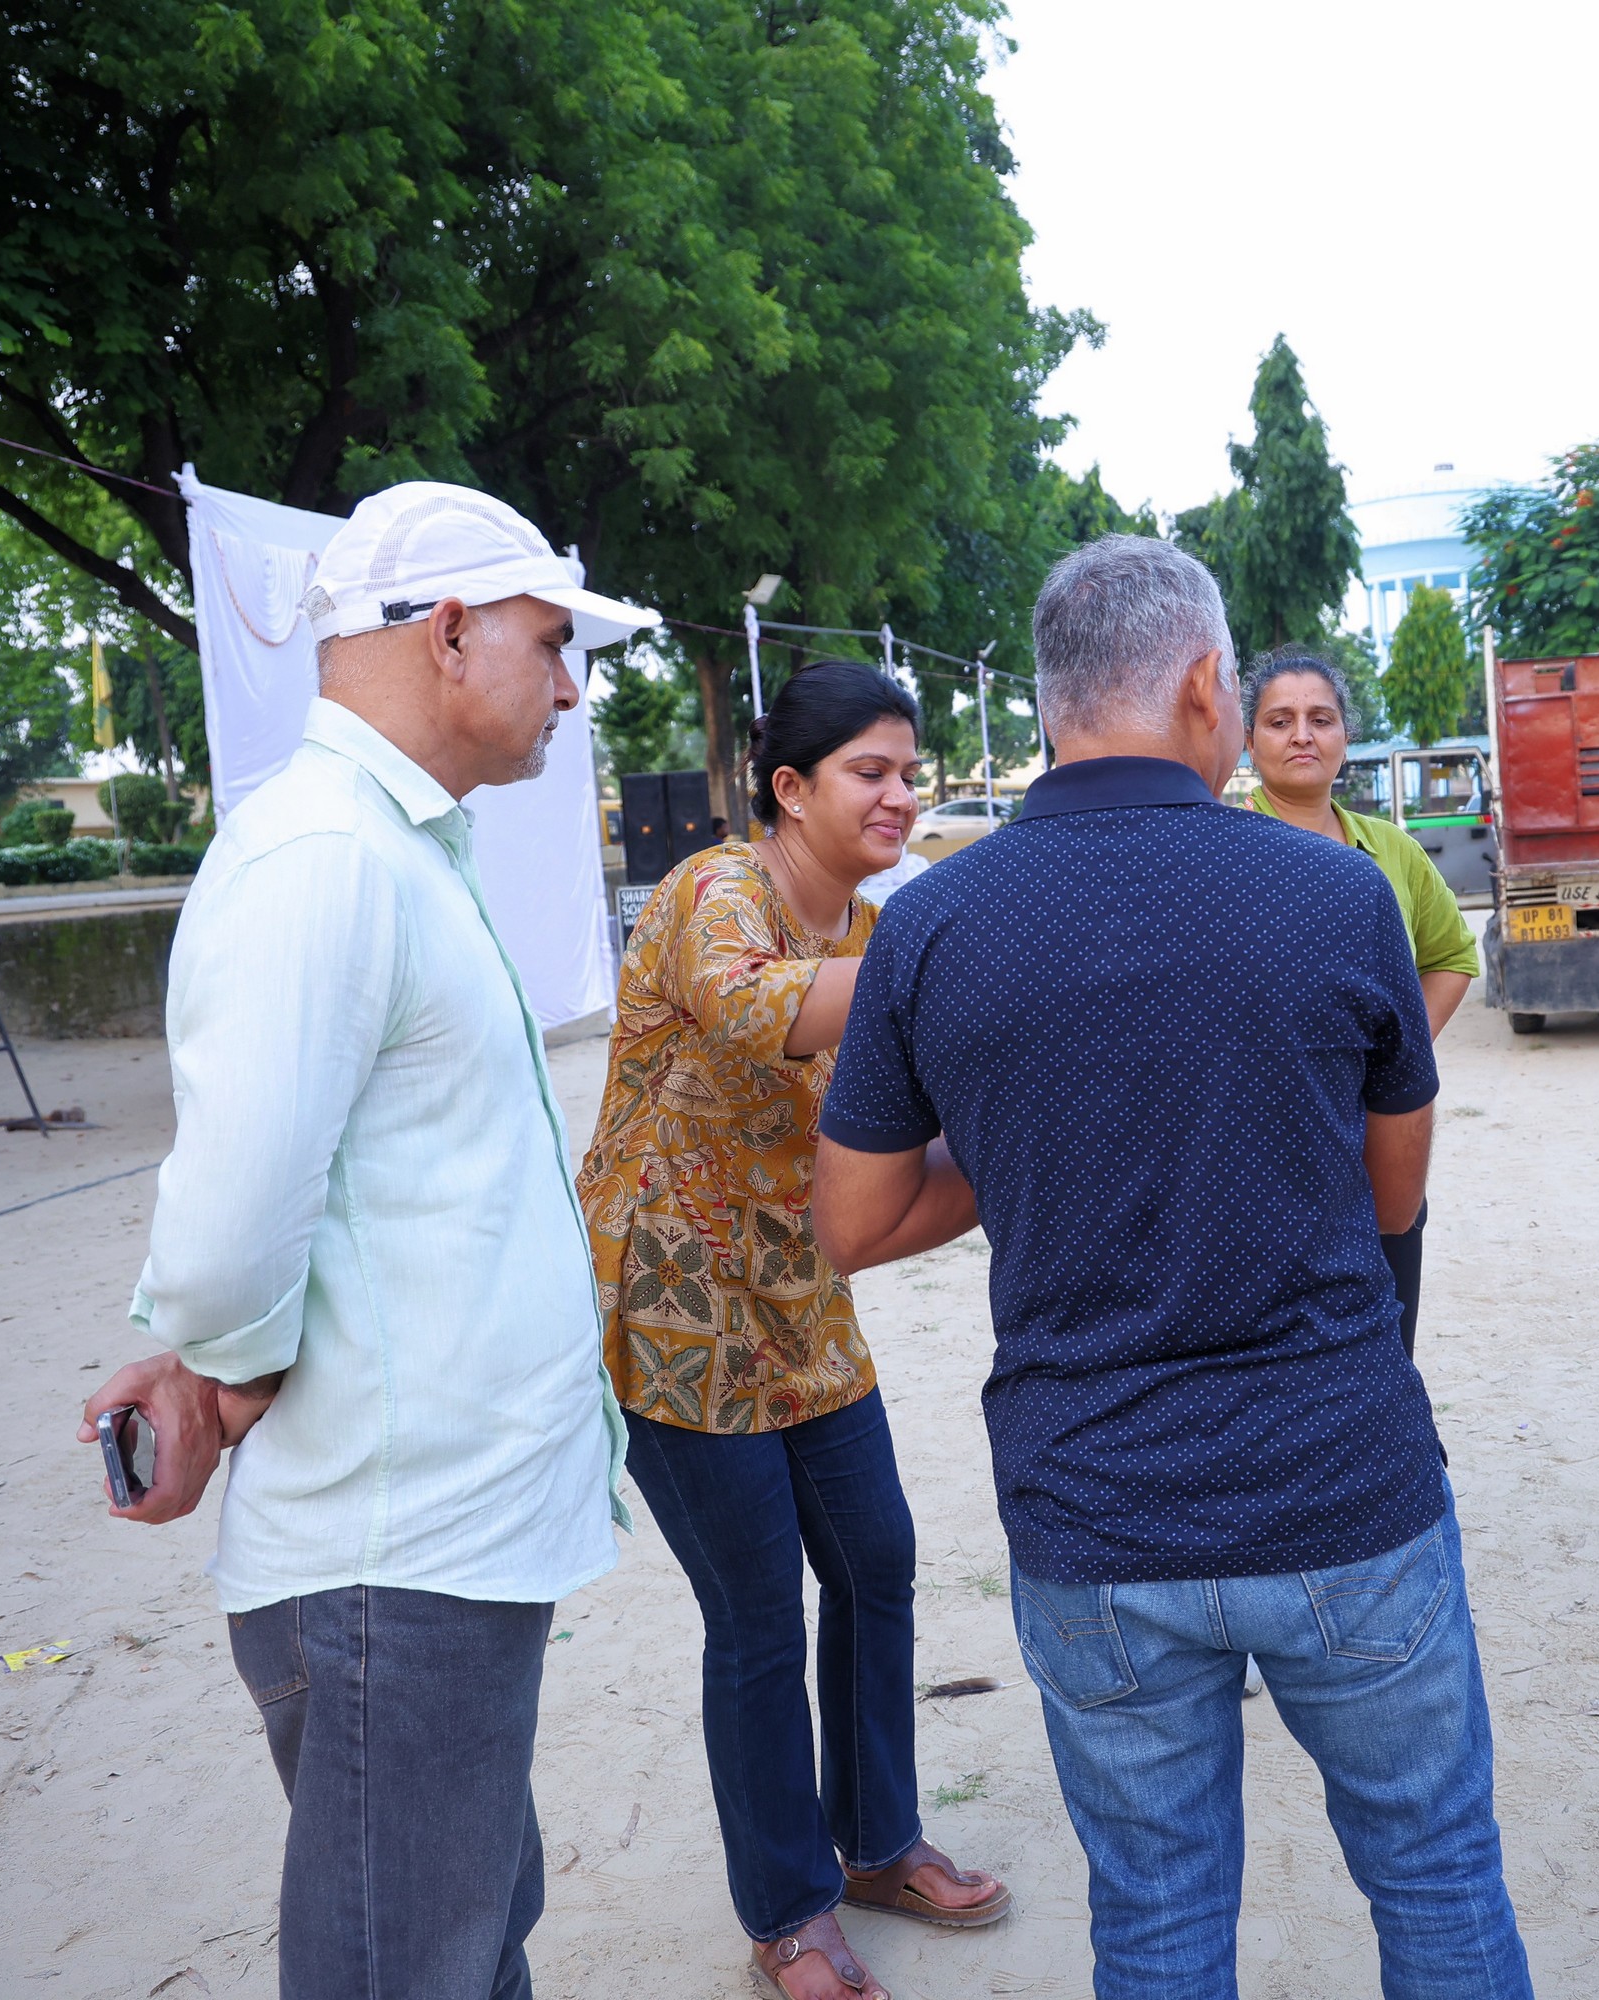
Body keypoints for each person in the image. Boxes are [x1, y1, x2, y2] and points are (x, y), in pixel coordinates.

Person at [811, 536, 1535, 2000]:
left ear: (1048, 699)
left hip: (1097, 1508)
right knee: (1438, 1875)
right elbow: (1395, 1191)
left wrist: (1032, 1145)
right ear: (1210, 685)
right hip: (1341, 1482)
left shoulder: (933, 921)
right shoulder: (1340, 896)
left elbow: (856, 1222)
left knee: (1154, 1917)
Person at [76, 482, 643, 1998]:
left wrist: (216, 1363)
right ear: (447, 633)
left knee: (466, 1932)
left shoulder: (393, 847)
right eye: (550, 643)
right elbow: (228, 1233)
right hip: (397, 1554)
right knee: (408, 1964)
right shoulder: (322, 857)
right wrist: (224, 1375)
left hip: (441, 1543)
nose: (569, 688)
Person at [576, 661, 1012, 2000]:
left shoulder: (878, 930)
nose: (900, 795)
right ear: (789, 787)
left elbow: (924, 1122)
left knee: (878, 1559)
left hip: (800, 1296)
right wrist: (942, 965)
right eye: (869, 771)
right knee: (759, 1612)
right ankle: (787, 1912)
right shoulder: (717, 891)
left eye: (908, 772)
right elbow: (756, 1006)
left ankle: (877, 1844)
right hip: (672, 1310)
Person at [1242, 652, 1480, 1357]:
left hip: (1380, 1133)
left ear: (1347, 736)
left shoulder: (1392, 852)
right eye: (1279, 721)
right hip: (1267, 1139)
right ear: (1248, 740)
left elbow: (1452, 956)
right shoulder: (1224, 851)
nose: (1302, 735)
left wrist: (1400, 1058)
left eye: (1321, 719)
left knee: (1387, 1323)